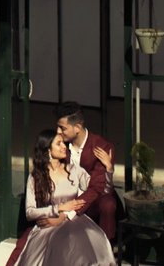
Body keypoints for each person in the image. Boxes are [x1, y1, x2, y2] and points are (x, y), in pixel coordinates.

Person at [10, 129, 117, 266]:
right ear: (47, 149)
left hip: (76, 221)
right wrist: (59, 208)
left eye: (64, 143)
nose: (64, 147)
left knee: (76, 241)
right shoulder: (35, 177)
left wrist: (109, 169)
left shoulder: (75, 170)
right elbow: (30, 212)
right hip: (48, 225)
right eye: (59, 144)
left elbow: (101, 191)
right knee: (59, 244)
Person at [54, 101, 118, 240]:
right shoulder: (59, 144)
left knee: (108, 204)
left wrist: (69, 212)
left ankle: (106, 251)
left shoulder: (101, 147)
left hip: (89, 203)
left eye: (62, 128)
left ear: (77, 127)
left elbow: (96, 189)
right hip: (63, 199)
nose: (58, 131)